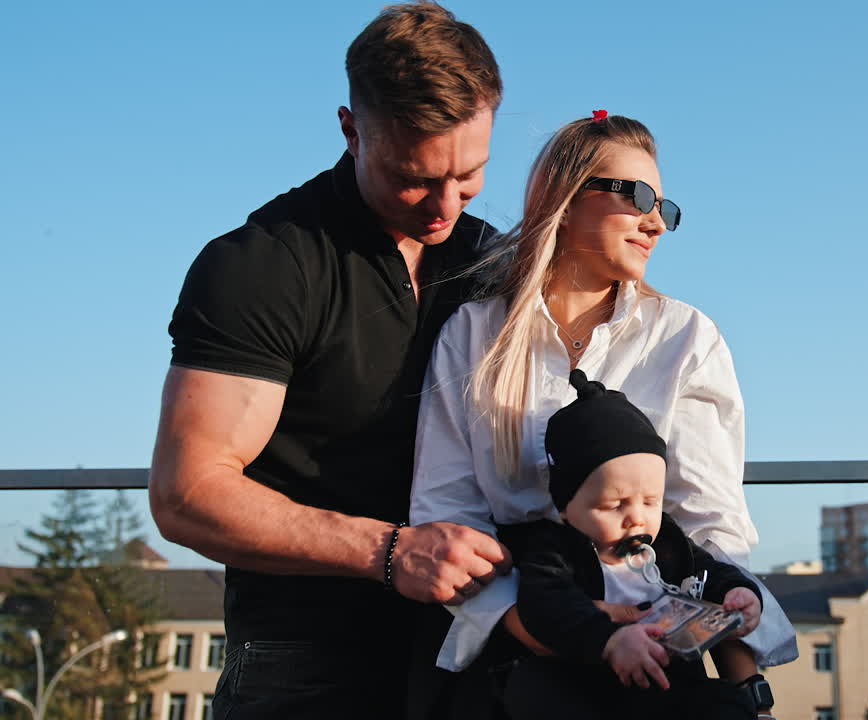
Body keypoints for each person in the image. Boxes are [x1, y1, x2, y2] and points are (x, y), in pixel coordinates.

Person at [149, 4, 508, 718]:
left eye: (469, 175)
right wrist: (387, 551)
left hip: (477, 651)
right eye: (413, 177)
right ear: (350, 129)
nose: (444, 207)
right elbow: (186, 494)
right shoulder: (263, 265)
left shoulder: (490, 259)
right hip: (306, 661)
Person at [409, 111, 797, 717]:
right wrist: (567, 630)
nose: (655, 223)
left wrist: (748, 692)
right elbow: (446, 515)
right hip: (519, 657)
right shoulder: (475, 334)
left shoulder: (686, 339)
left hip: (659, 664)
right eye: (639, 197)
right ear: (564, 199)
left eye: (666, 210)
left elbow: (709, 531)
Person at [496, 368, 762, 720]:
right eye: (614, 505)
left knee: (727, 705)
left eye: (650, 501)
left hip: (664, 682)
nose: (636, 517)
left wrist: (738, 593)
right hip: (585, 679)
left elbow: (707, 571)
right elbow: (546, 606)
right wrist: (608, 640)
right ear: (565, 507)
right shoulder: (557, 550)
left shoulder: (665, 542)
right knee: (536, 691)